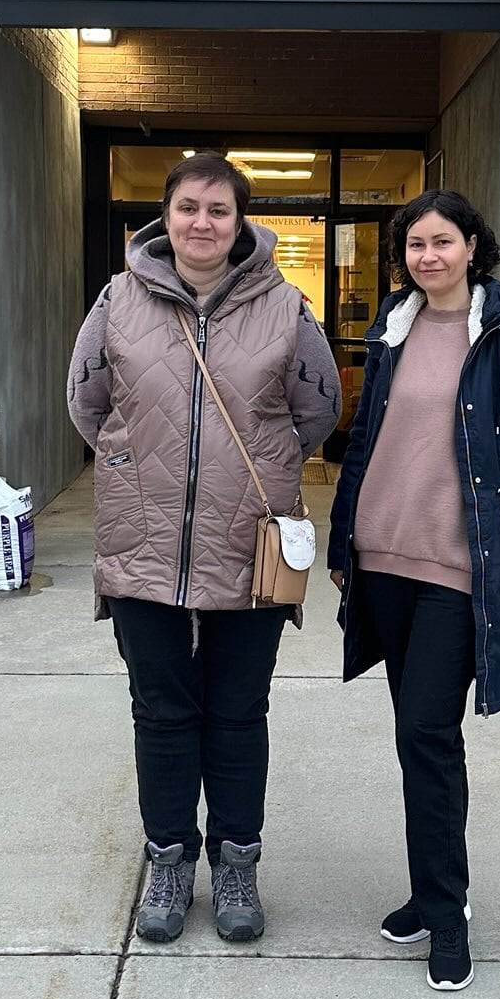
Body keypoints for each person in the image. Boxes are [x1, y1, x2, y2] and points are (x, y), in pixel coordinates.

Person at [68, 151, 339, 945]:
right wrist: (129, 463)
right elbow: (86, 402)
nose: (202, 224)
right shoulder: (118, 300)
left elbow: (317, 409)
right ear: (166, 215)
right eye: (189, 208)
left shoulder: (285, 307)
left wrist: (266, 462)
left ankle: (236, 861)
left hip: (247, 545)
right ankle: (169, 858)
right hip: (142, 544)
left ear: (241, 222)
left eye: (219, 211)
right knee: (159, 714)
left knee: (236, 712)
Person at [328, 190, 500, 993]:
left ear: (472, 247)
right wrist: (340, 541)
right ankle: (429, 895)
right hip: (383, 560)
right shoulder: (392, 330)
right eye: (415, 246)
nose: (428, 257)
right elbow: (364, 440)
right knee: (412, 736)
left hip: (456, 574)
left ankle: (448, 909)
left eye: (442, 242)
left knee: (429, 732)